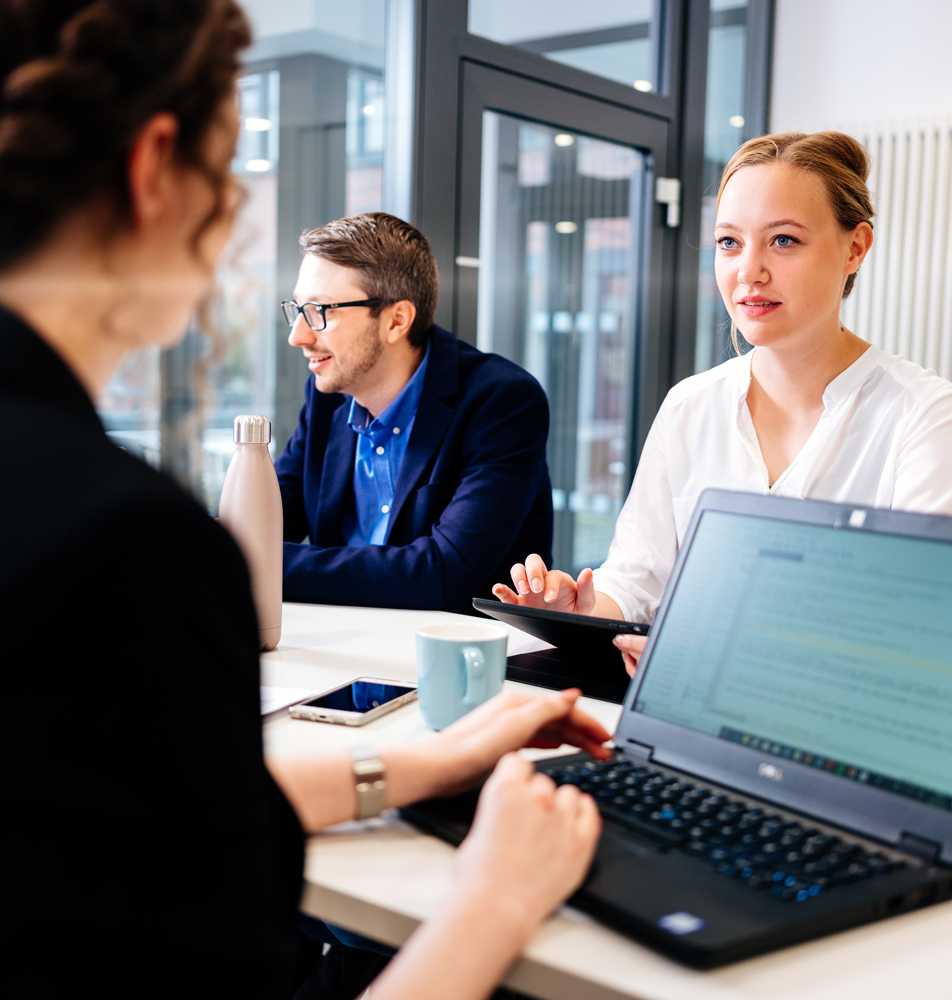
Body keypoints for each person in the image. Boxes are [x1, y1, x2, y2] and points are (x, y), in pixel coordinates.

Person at [0, 2, 608, 998]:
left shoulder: (493, 398)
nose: (297, 332)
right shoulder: (124, 544)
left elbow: (145, 811)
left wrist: (425, 762)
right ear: (156, 168)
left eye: (317, 310)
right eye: (230, 167)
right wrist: (497, 895)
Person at [494, 130, 952, 675]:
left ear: (855, 247)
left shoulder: (921, 412)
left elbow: (918, 622)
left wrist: (706, 645)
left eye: (784, 240)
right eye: (729, 242)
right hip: (684, 716)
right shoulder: (690, 405)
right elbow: (635, 581)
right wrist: (581, 607)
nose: (749, 271)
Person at [276, 213, 553, 613]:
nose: (297, 336)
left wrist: (260, 562)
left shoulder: (502, 402)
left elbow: (446, 573)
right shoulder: (328, 396)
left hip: (454, 667)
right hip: (341, 660)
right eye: (297, 309)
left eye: (321, 311)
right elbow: (268, 521)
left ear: (397, 320)